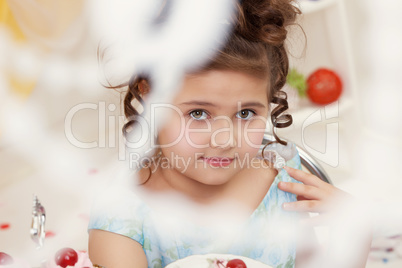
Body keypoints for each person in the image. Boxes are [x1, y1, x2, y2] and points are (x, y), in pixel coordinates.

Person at [87, 0, 369, 267]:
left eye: (246, 113)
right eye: (198, 113)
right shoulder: (122, 220)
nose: (225, 140)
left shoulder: (283, 179)